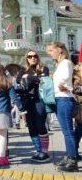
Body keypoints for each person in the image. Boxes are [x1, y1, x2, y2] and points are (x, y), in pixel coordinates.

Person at [47, 42, 78, 172]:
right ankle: (69, 157)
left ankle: (72, 160)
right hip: (61, 98)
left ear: (59, 50)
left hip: (64, 98)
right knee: (67, 132)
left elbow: (65, 78)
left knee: (68, 132)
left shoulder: (65, 62)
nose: (50, 53)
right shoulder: (60, 64)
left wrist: (60, 85)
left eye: (51, 50)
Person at [15, 50, 50, 163]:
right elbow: (18, 82)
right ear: (27, 59)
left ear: (38, 57)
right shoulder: (22, 70)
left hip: (40, 100)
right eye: (30, 56)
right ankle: (39, 151)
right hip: (27, 102)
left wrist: (29, 76)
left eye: (35, 56)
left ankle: (45, 153)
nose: (33, 58)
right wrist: (34, 77)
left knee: (40, 126)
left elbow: (44, 79)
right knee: (31, 128)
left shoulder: (44, 68)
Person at [70, 52, 82, 161]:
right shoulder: (75, 74)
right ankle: (74, 152)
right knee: (79, 129)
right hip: (80, 106)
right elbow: (76, 89)